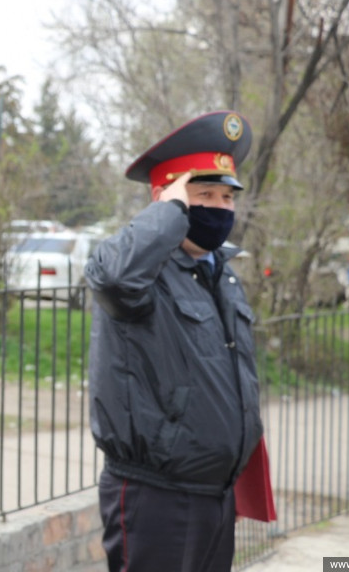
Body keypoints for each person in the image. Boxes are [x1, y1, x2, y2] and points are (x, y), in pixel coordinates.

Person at [85, 110, 266, 571]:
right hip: (157, 497)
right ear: (166, 200)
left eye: (227, 196)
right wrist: (169, 213)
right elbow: (111, 278)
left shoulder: (220, 273)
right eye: (204, 195)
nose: (220, 208)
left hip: (215, 493)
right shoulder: (143, 272)